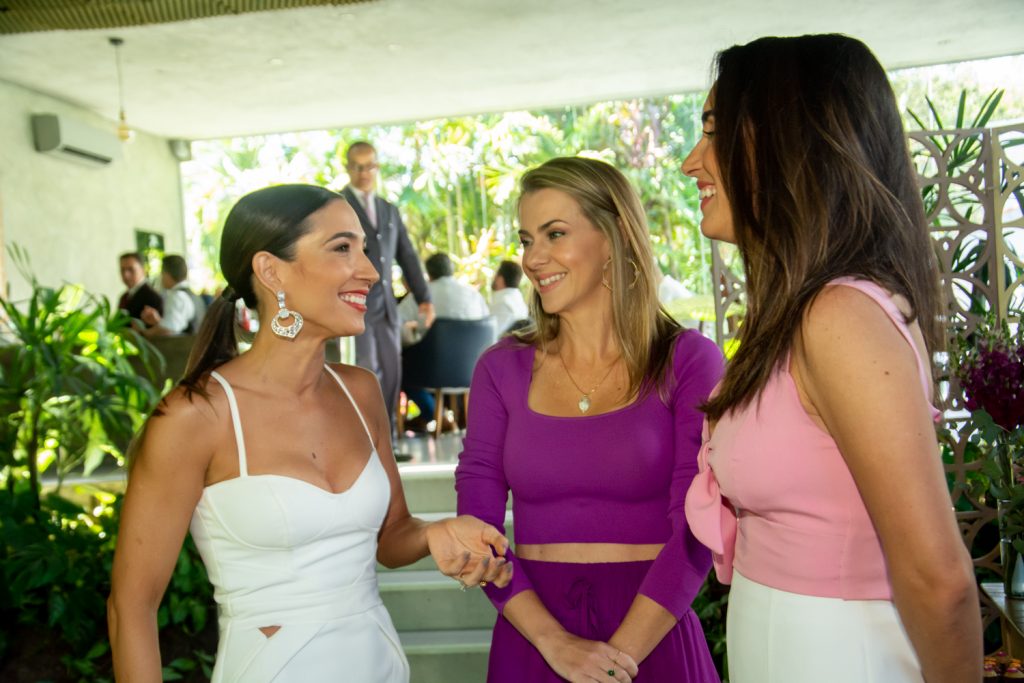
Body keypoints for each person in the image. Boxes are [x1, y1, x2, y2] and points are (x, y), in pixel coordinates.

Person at [108, 184, 512, 682]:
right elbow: (132, 606)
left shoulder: (361, 392)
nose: (370, 270)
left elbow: (391, 537)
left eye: (364, 248)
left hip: (378, 662)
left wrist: (436, 533)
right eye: (343, 248)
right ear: (271, 270)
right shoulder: (195, 418)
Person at [681, 34, 981, 683]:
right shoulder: (793, 313)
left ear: (789, 138)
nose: (691, 161)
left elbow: (941, 578)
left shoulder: (838, 318)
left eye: (713, 130)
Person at [456, 157, 723, 682]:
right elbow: (478, 530)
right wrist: (557, 645)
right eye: (527, 239)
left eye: (555, 234)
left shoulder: (689, 360)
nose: (534, 258)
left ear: (615, 235)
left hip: (653, 633)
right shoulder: (500, 368)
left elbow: (695, 529)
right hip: (533, 635)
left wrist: (613, 661)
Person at [341, 141, 435, 438]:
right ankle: (367, 438)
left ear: (377, 167)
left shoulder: (388, 210)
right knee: (366, 372)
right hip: (355, 304)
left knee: (393, 373)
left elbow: (407, 255)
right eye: (358, 166)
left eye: (370, 165)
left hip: (388, 309)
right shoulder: (338, 206)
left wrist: (425, 299)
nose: (364, 172)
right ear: (348, 168)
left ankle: (389, 437)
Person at [397, 252, 489, 345]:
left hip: (429, 356)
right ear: (452, 270)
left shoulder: (420, 296)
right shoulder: (474, 294)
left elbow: (395, 323)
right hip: (474, 355)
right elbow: (487, 324)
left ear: (429, 274)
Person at [139, 254, 207, 336]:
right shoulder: (194, 297)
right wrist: (158, 322)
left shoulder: (177, 297)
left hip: (184, 348)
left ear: (166, 274)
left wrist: (143, 333)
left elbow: (168, 330)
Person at [117, 251, 163, 324]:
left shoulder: (152, 297)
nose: (126, 275)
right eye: (123, 270)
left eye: (131, 269)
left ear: (143, 270)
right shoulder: (124, 297)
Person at [489, 260, 530, 335]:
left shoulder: (503, 304)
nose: (493, 277)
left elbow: (489, 336)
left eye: (495, 274)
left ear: (500, 279)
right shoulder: (519, 301)